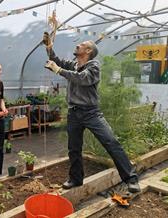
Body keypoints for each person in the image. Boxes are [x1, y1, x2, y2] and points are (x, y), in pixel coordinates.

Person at [43, 33, 140, 193]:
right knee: (74, 148)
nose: (78, 45)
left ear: (88, 50)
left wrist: (59, 70)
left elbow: (82, 79)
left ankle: (131, 178)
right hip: (74, 113)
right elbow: (58, 62)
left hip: (91, 113)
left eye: (81, 44)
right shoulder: (74, 65)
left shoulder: (94, 67)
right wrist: (49, 47)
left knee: (111, 142)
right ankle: (75, 179)